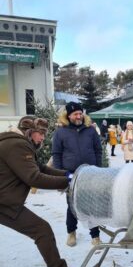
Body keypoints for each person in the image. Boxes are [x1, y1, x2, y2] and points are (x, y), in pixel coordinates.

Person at [0, 116, 90, 267]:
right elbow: (34, 178)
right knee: (42, 230)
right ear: (29, 132)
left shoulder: (14, 143)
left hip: (5, 200)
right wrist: (68, 182)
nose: (42, 138)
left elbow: (40, 168)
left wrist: (69, 175)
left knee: (41, 230)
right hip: (4, 203)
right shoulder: (17, 145)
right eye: (40, 134)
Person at [52, 102, 103, 247]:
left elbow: (98, 150)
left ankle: (95, 236)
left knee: (91, 204)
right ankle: (71, 233)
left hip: (90, 173)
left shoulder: (90, 130)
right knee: (72, 205)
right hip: (71, 174)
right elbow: (56, 154)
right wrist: (60, 174)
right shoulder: (61, 132)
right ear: (68, 115)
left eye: (81, 113)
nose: (79, 116)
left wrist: (98, 169)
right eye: (75, 114)